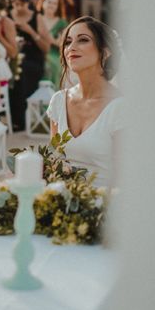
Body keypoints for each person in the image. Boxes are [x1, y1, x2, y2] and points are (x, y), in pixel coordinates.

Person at [46, 16, 123, 187]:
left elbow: (124, 179)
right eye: (67, 42)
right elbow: (53, 159)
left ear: (105, 51)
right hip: (60, 202)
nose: (71, 48)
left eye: (83, 40)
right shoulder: (59, 101)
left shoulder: (120, 108)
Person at [10, 0, 51, 131]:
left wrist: (30, 31)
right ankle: (10, 116)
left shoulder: (36, 17)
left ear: (28, 2)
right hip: (12, 57)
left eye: (22, 4)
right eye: (15, 4)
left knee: (22, 71)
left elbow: (46, 47)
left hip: (33, 59)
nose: (19, 7)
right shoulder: (8, 16)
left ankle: (20, 120)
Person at [38, 0, 68, 87]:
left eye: (55, 3)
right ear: (42, 2)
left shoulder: (62, 23)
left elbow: (64, 44)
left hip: (53, 54)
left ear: (58, 7)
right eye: (49, 2)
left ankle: (51, 98)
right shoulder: (36, 19)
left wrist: (52, 41)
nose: (51, 5)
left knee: (50, 66)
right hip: (36, 52)